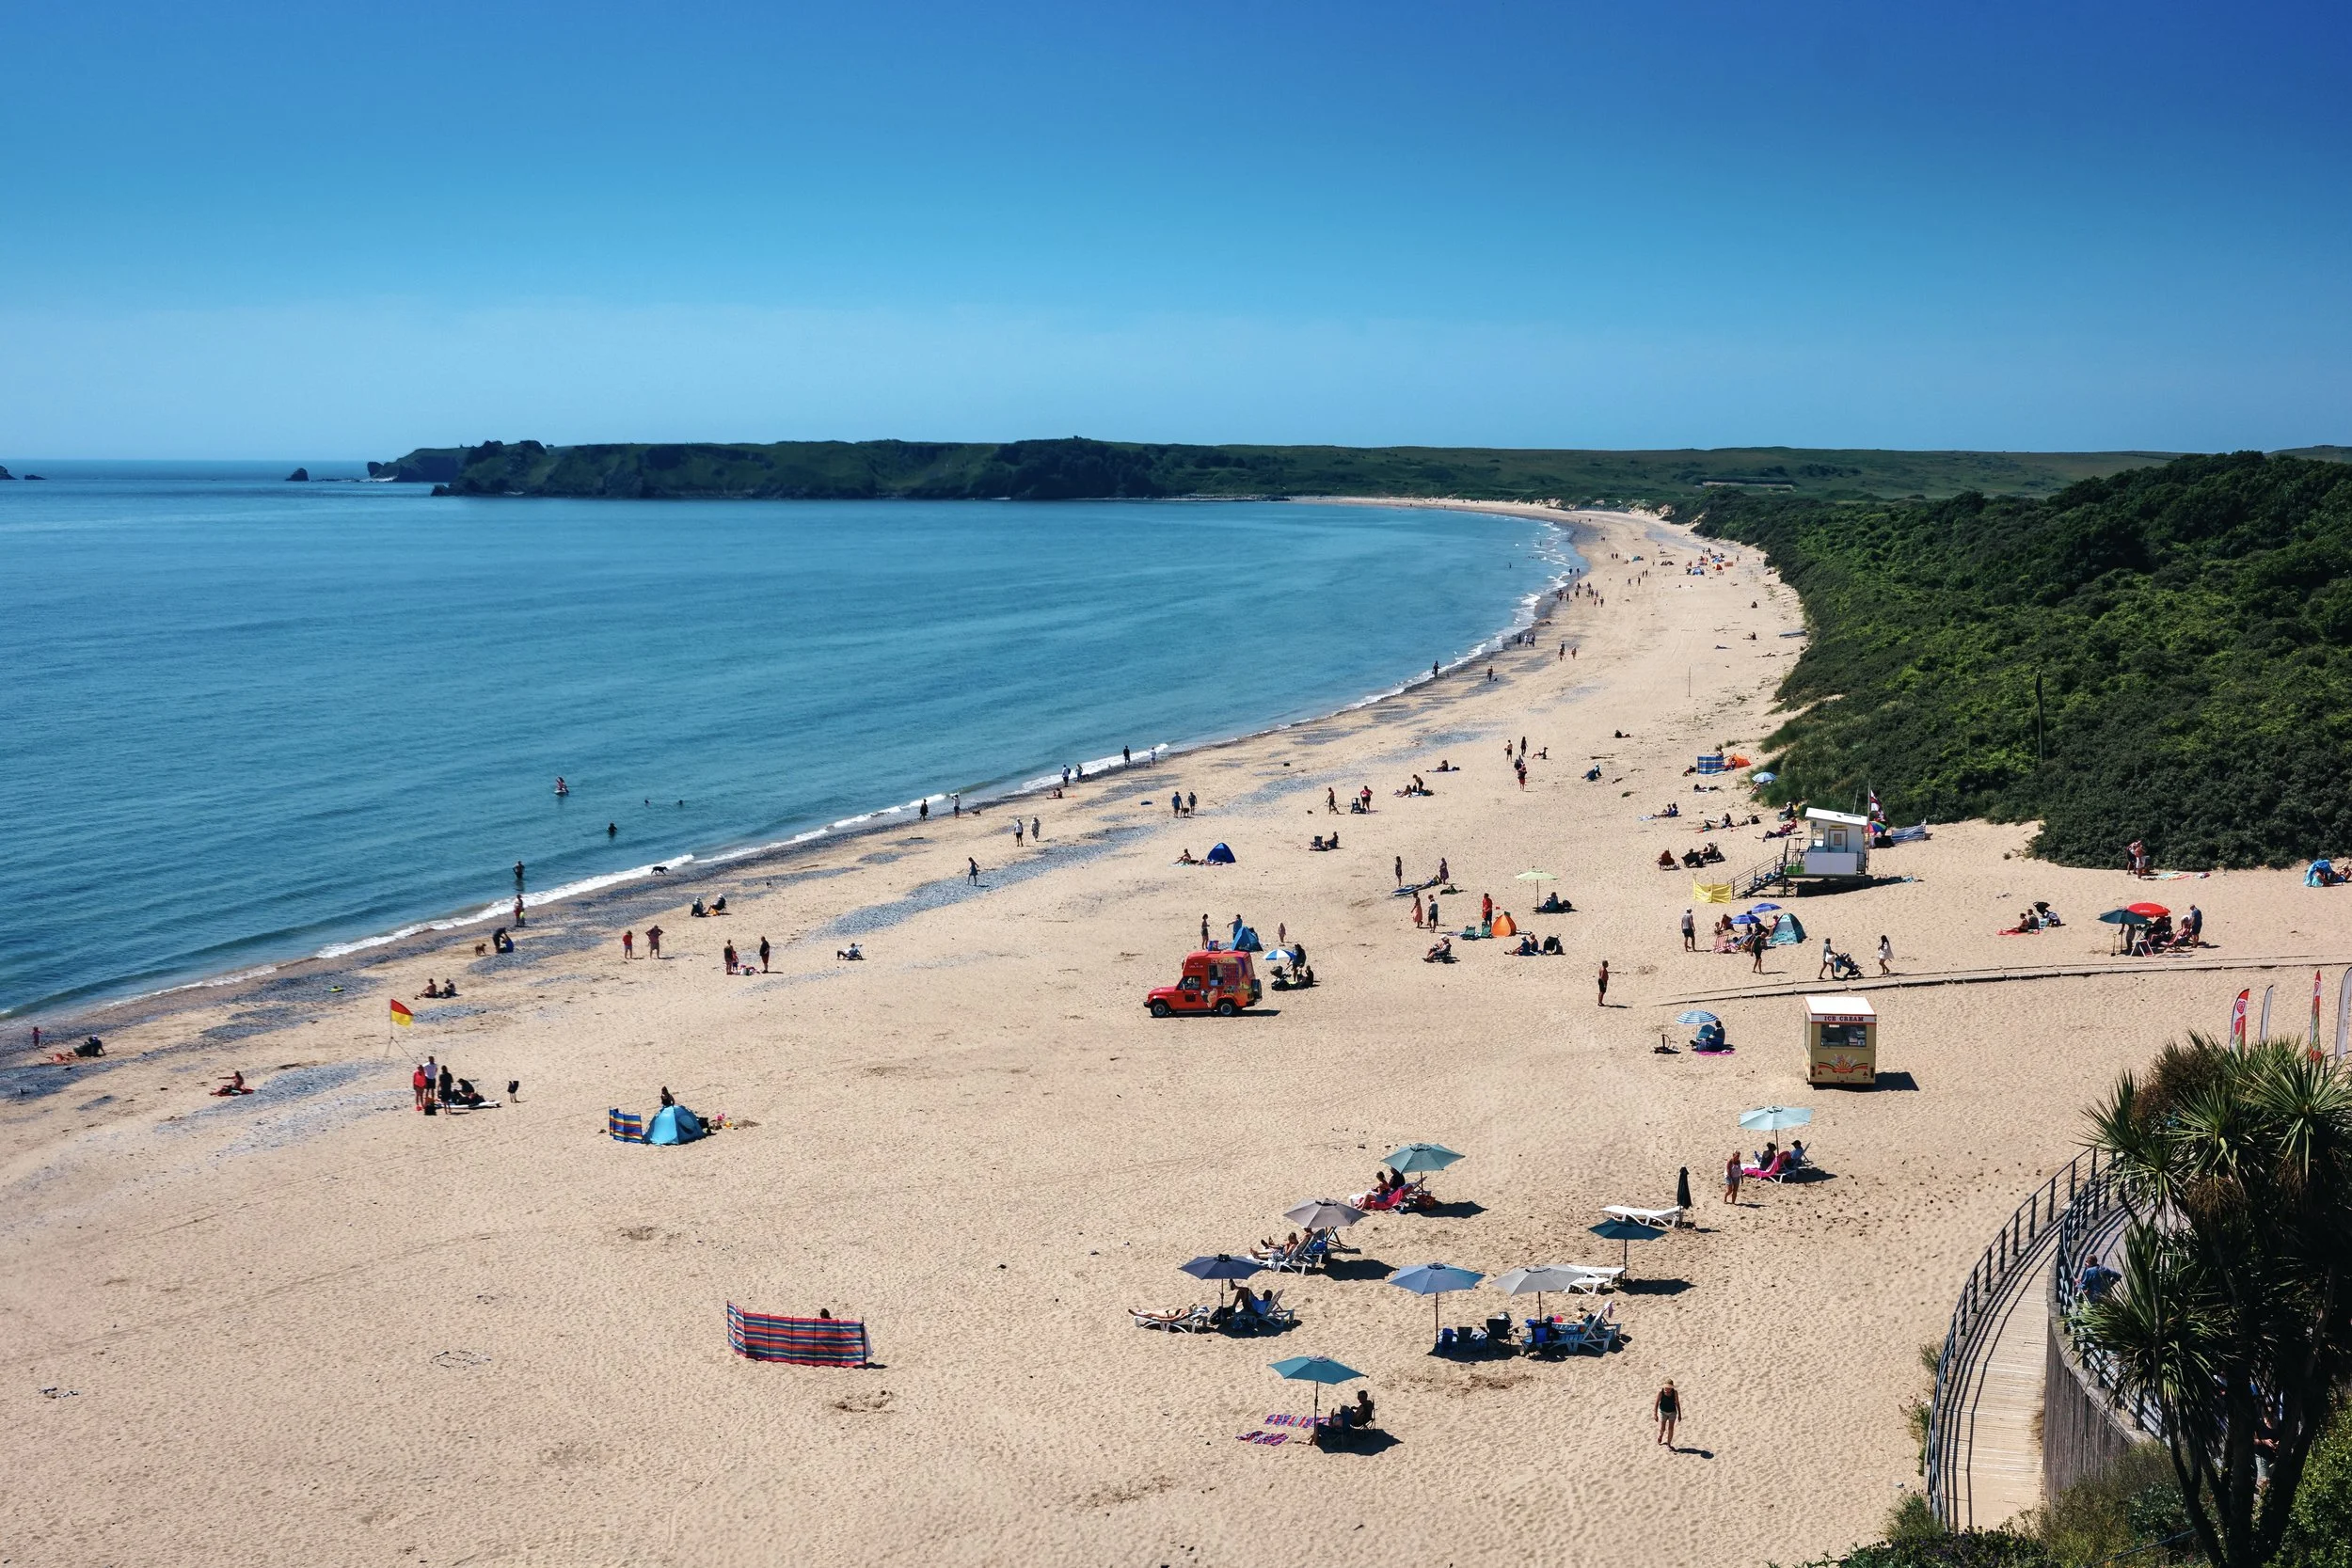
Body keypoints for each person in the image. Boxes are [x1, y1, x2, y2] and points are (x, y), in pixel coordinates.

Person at [1655, 1381, 1681, 1447]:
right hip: (1662, 1412)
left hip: (1672, 1412)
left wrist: (1680, 1414)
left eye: (1669, 1388)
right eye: (1666, 1388)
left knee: (1671, 1428)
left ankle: (1669, 1444)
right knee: (1662, 1428)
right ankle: (1660, 1435)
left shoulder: (1675, 1393)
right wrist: (1655, 1414)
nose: (1667, 1389)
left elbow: (1677, 1403)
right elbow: (1657, 1403)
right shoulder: (1661, 1393)